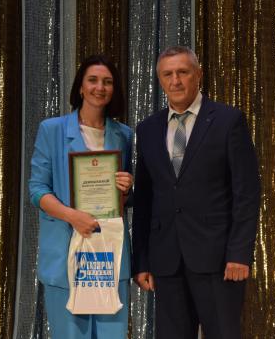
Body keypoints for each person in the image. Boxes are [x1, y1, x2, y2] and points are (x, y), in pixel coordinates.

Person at [132, 46, 260, 339]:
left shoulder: (228, 120)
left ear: (198, 74)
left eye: (183, 72)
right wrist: (142, 261)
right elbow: (145, 201)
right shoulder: (147, 129)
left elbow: (246, 193)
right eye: (167, 74)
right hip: (166, 261)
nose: (175, 80)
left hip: (218, 260)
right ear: (160, 80)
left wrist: (239, 253)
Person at [29, 55, 134, 338]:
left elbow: (124, 200)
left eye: (107, 82)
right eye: (93, 80)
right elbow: (37, 190)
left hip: (109, 257)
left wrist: (126, 189)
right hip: (66, 254)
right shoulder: (51, 130)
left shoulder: (124, 135)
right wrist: (73, 216)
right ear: (80, 87)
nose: (100, 87)